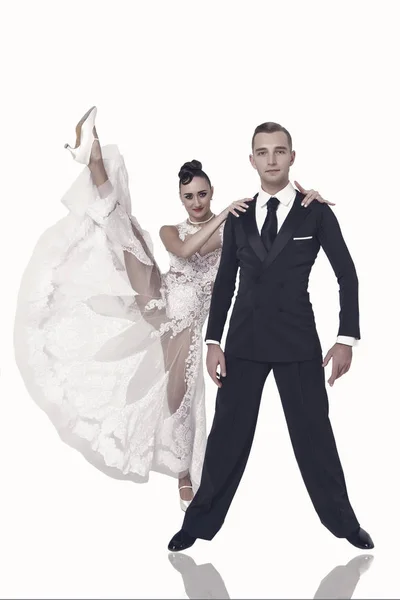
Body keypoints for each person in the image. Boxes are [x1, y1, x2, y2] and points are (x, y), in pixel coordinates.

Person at [14, 108, 329, 511]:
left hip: (190, 323)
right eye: (188, 197)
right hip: (159, 300)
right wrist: (221, 218)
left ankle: (184, 473)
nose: (196, 203)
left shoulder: (233, 227)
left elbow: (269, 219)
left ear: (210, 192)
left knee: (179, 393)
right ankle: (93, 157)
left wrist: (307, 200)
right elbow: (183, 249)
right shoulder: (174, 230)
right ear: (180, 199)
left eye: (202, 195)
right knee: (124, 232)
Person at [168, 122, 374, 550]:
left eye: (280, 151)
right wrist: (213, 342)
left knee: (315, 434)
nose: (272, 159)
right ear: (252, 160)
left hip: (298, 342)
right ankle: (198, 525)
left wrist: (345, 339)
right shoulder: (239, 217)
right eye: (263, 152)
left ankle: (344, 523)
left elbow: (347, 275)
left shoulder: (315, 210)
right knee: (226, 437)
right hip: (243, 344)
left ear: (292, 157)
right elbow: (225, 283)